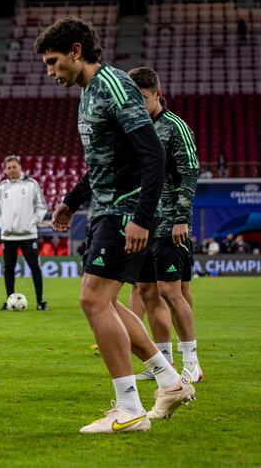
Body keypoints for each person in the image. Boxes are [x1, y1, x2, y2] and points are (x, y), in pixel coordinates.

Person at [35, 17, 194, 434]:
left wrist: (142, 218)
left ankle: (129, 408)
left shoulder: (115, 86)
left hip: (125, 213)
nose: (50, 72)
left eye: (53, 62)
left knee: (93, 300)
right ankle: (169, 381)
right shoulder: (90, 93)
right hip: (105, 211)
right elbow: (105, 162)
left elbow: (152, 154)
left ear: (75, 51)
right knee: (109, 302)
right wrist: (71, 201)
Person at [128, 67, 203, 384]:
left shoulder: (175, 127)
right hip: (142, 223)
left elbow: (189, 173)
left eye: (142, 98)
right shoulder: (134, 129)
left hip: (170, 222)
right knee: (146, 291)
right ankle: (164, 364)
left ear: (158, 94)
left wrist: (182, 217)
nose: (137, 104)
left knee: (172, 292)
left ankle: (192, 363)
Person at [0, 155, 48, 311]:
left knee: (35, 267)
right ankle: (10, 300)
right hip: (8, 236)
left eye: (14, 167)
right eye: (9, 168)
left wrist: (33, 221)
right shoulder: (1, 187)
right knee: (9, 268)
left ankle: (40, 301)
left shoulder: (31, 185)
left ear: (20, 167)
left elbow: (42, 206)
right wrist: (2, 224)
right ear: (5, 170)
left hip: (29, 235)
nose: (12, 170)